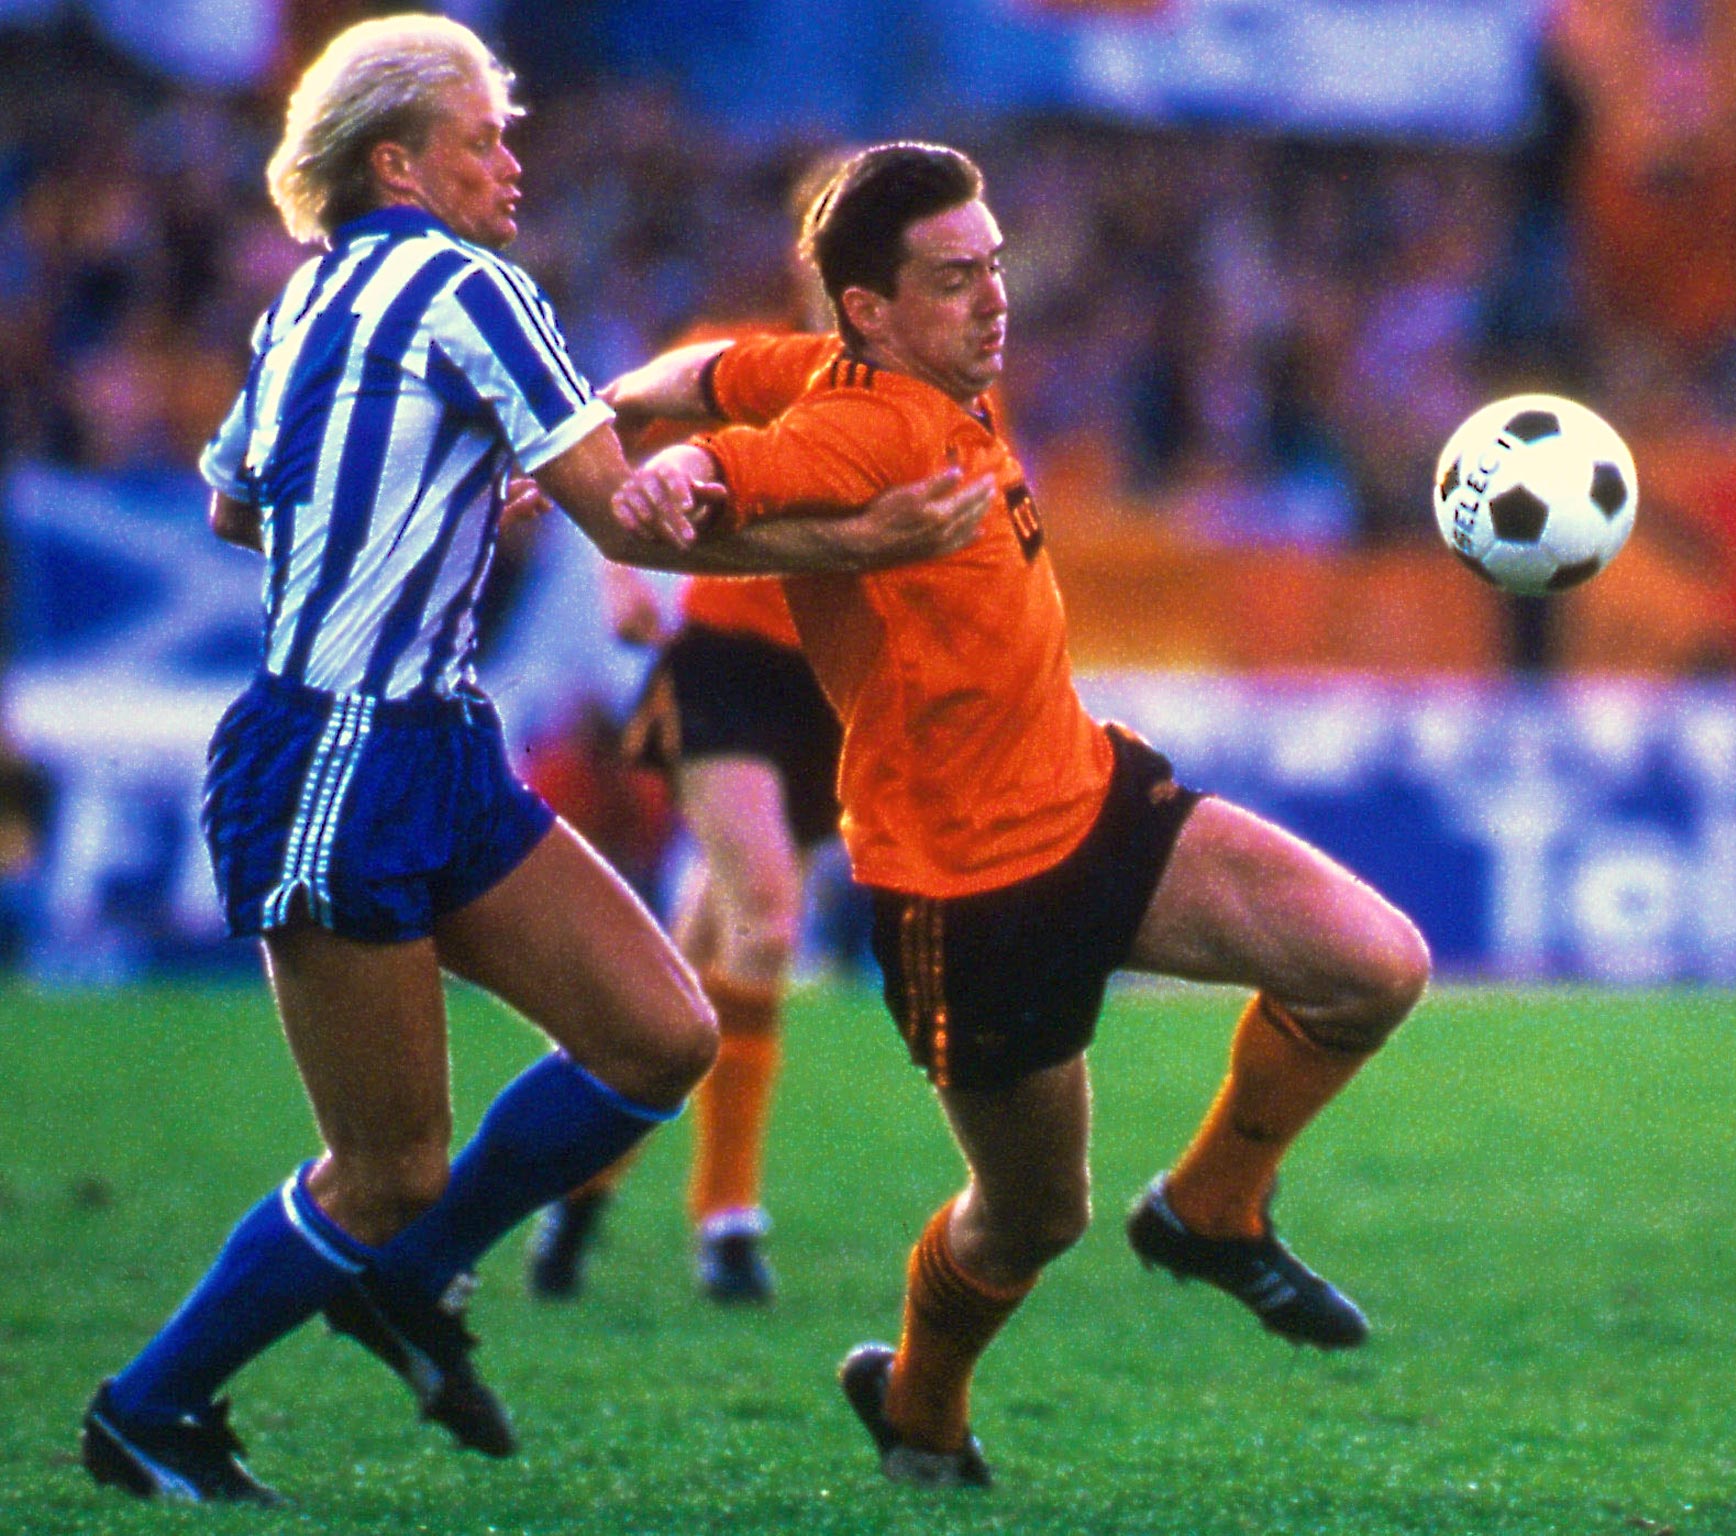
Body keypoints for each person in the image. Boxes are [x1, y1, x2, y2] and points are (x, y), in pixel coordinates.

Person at [78, 25, 990, 1506]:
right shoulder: (466, 284)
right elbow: (629, 521)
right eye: (483, 140)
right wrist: (869, 541)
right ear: (398, 163)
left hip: (430, 737)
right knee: (384, 1167)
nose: (512, 164)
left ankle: (412, 1280)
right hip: (342, 755)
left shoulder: (305, 300)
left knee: (659, 1035)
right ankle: (151, 1407)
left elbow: (239, 508)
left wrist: (417, 496)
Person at [607, 142, 1433, 1489]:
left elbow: (704, 378)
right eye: (954, 279)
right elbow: (735, 472)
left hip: (1094, 796)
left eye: (995, 267)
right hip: (966, 895)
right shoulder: (858, 423)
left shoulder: (849, 367)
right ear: (868, 310)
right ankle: (921, 1406)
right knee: (1032, 1217)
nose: (994, 300)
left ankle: (1214, 1208)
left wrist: (617, 401)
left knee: (1373, 966)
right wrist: (667, 485)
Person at [527, 161, 853, 1306]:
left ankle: (581, 1183)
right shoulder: (741, 361)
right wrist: (619, 565)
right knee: (767, 910)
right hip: (720, 665)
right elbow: (597, 432)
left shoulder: (951, 401)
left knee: (697, 953)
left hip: (824, 692)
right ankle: (727, 1219)